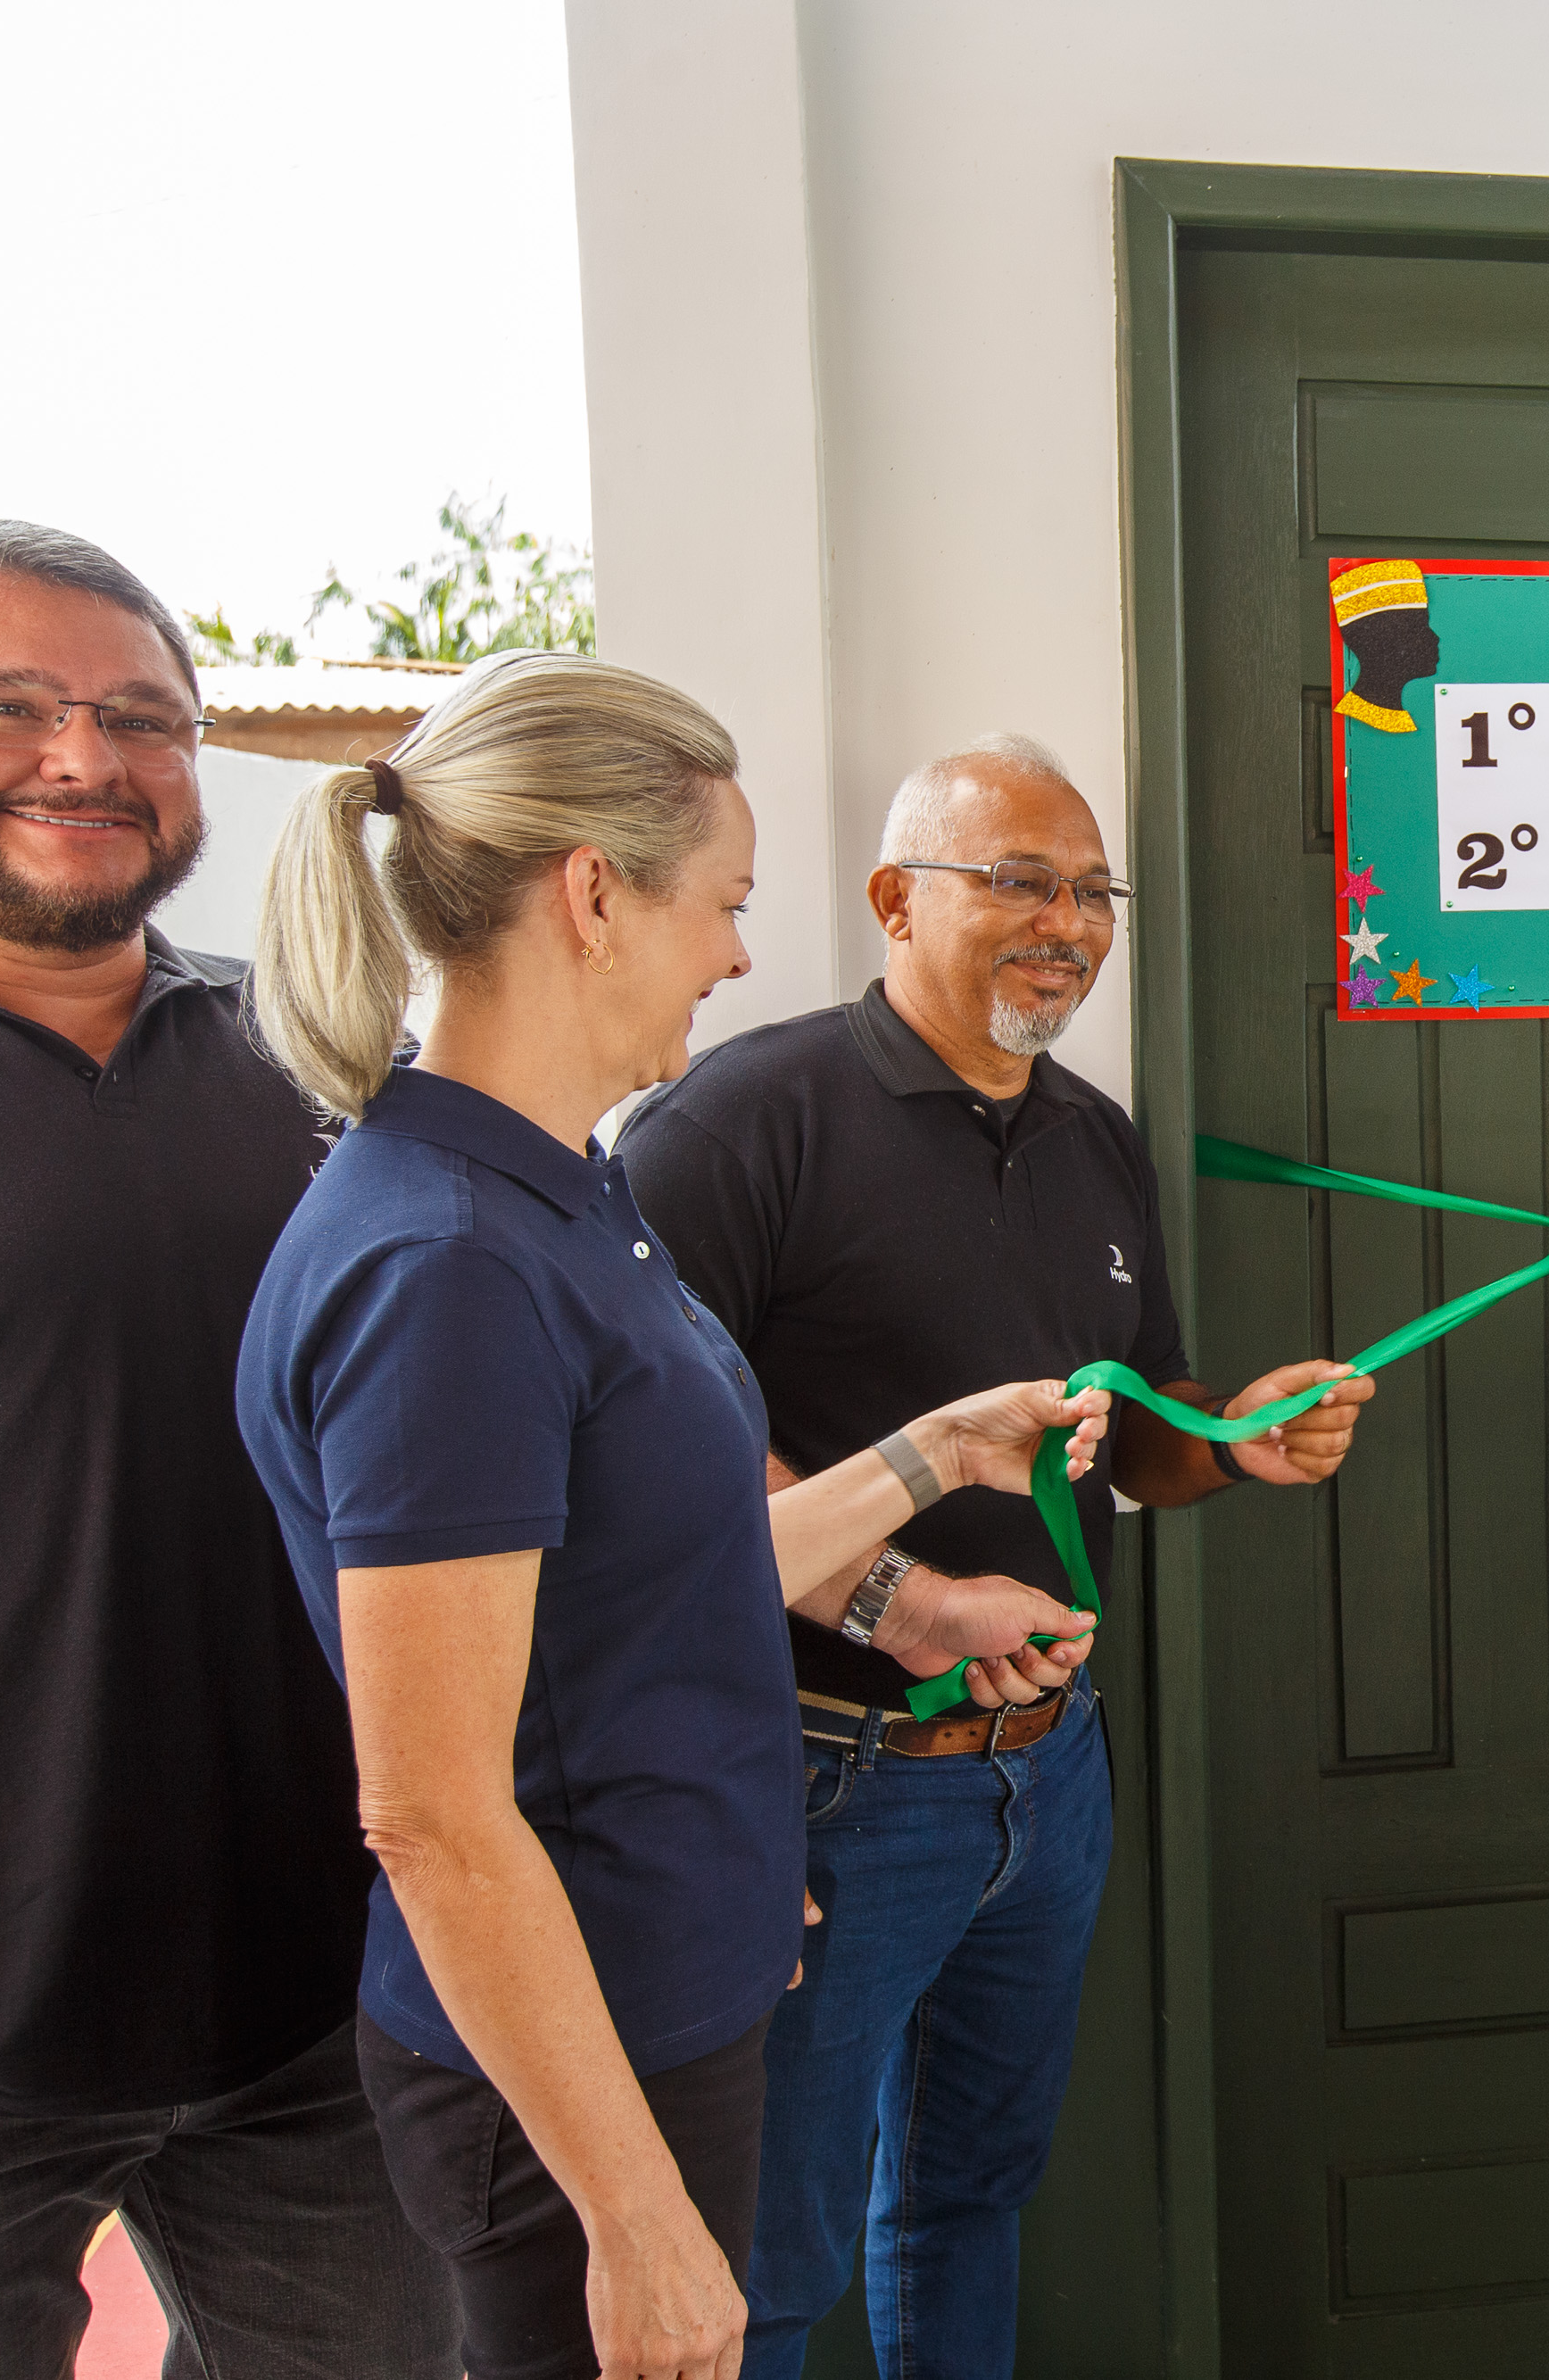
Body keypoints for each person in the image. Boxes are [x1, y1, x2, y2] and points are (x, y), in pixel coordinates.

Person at [234, 655, 1115, 2380]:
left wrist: (930, 1463)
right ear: (590, 896)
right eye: (723, 903)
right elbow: (432, 1814)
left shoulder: (558, 1196)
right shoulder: (447, 1270)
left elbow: (666, 1579)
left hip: (670, 1998)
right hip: (577, 2092)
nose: (730, 951)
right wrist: (637, 2228)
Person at [619, 732, 1372, 2376]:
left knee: (970, 2194)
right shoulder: (738, 1122)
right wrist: (895, 1603)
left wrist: (1232, 1438)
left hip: (1050, 1776)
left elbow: (1144, 1435)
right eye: (1018, 881)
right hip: (826, 1778)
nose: (1069, 923)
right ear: (894, 898)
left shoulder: (1095, 1139)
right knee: (778, 2244)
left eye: (1090, 890)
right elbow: (654, 1459)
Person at [0, 520, 456, 2377]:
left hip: (316, 1997)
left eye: (141, 716)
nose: (84, 756)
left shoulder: (319, 1069)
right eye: (0, 704)